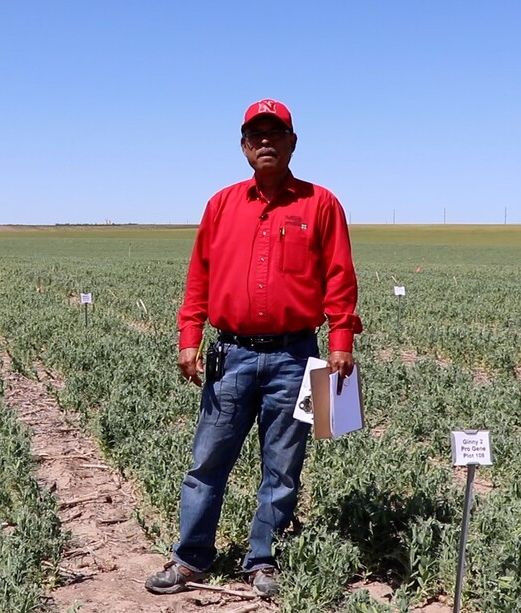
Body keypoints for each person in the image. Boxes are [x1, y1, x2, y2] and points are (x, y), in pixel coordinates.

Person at [145, 99, 362, 598]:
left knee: (283, 464)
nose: (265, 141)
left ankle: (262, 560)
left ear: (292, 142)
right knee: (207, 460)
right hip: (231, 355)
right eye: (255, 134)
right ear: (244, 146)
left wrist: (342, 340)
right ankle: (190, 558)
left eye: (275, 132)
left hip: (295, 355)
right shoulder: (221, 205)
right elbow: (199, 275)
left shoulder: (320, 204)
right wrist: (189, 336)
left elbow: (339, 278)